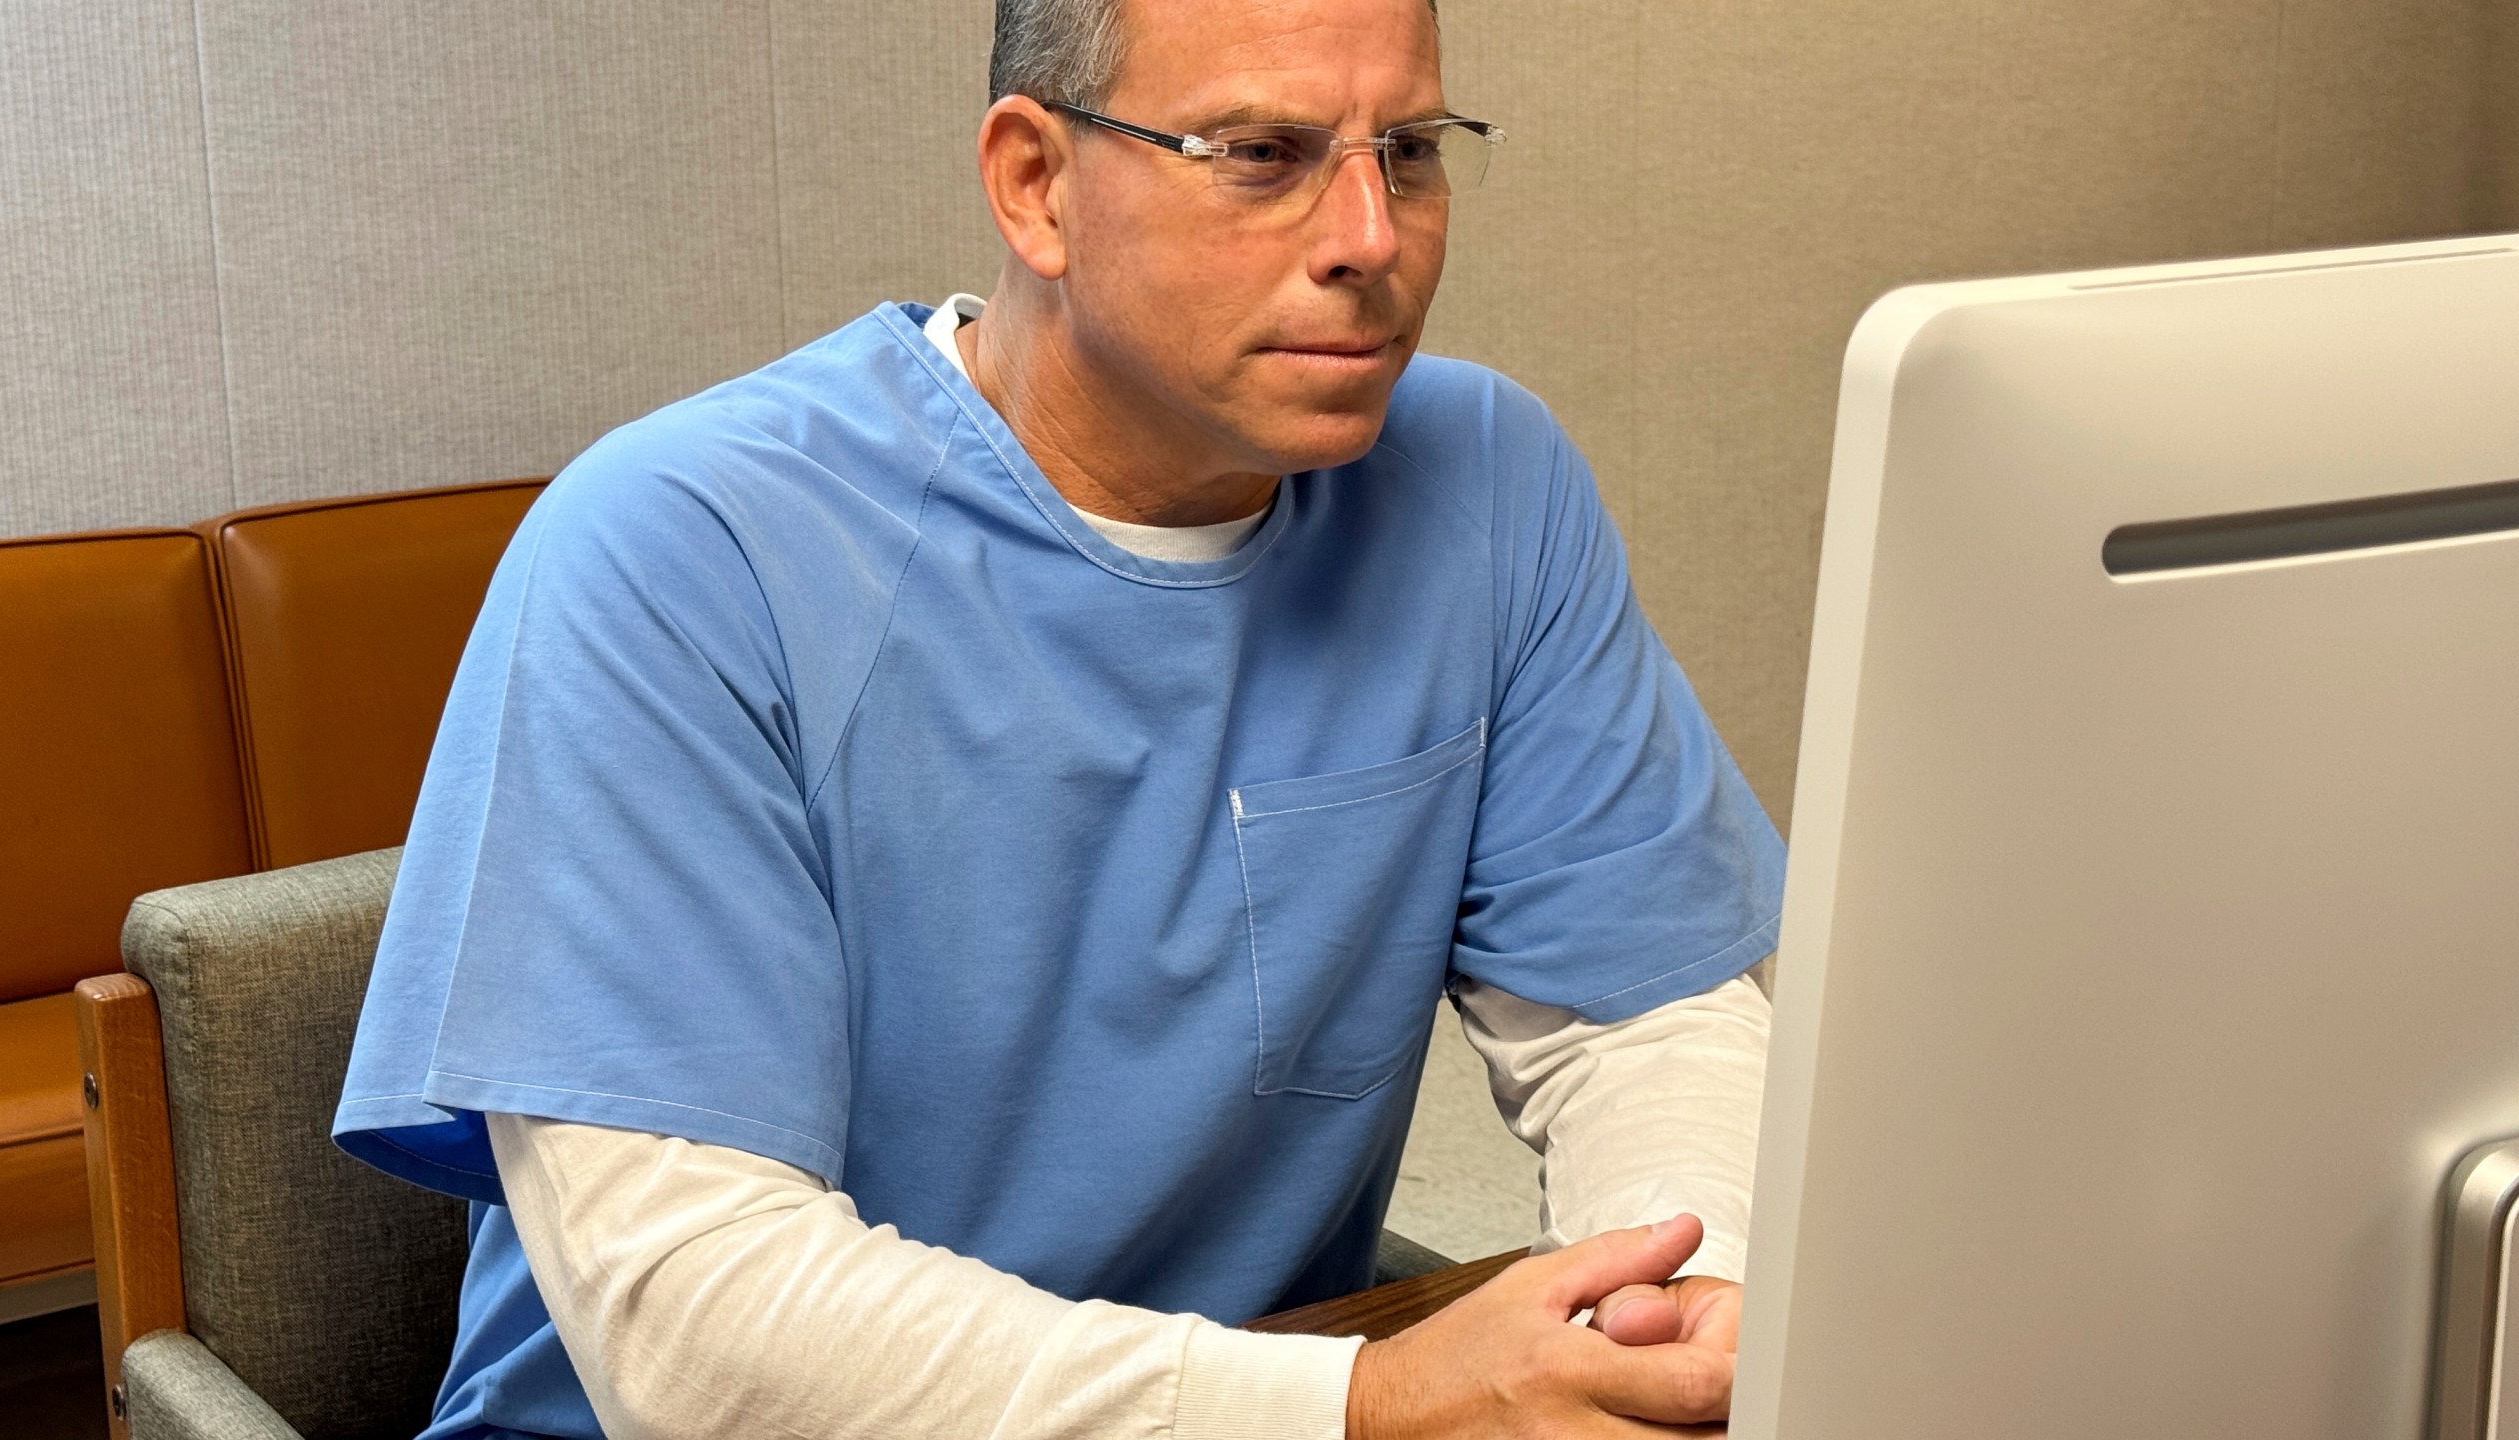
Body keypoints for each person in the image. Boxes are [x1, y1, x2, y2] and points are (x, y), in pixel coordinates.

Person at [335, 0, 1786, 1435]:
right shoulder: (682, 547)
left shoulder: (1485, 481)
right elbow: (695, 1323)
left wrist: (1685, 1302)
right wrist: (1368, 1401)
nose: (1371, 237)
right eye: (1263, 154)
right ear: (1037, 183)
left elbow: (1642, 1017)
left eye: (1407, 151)